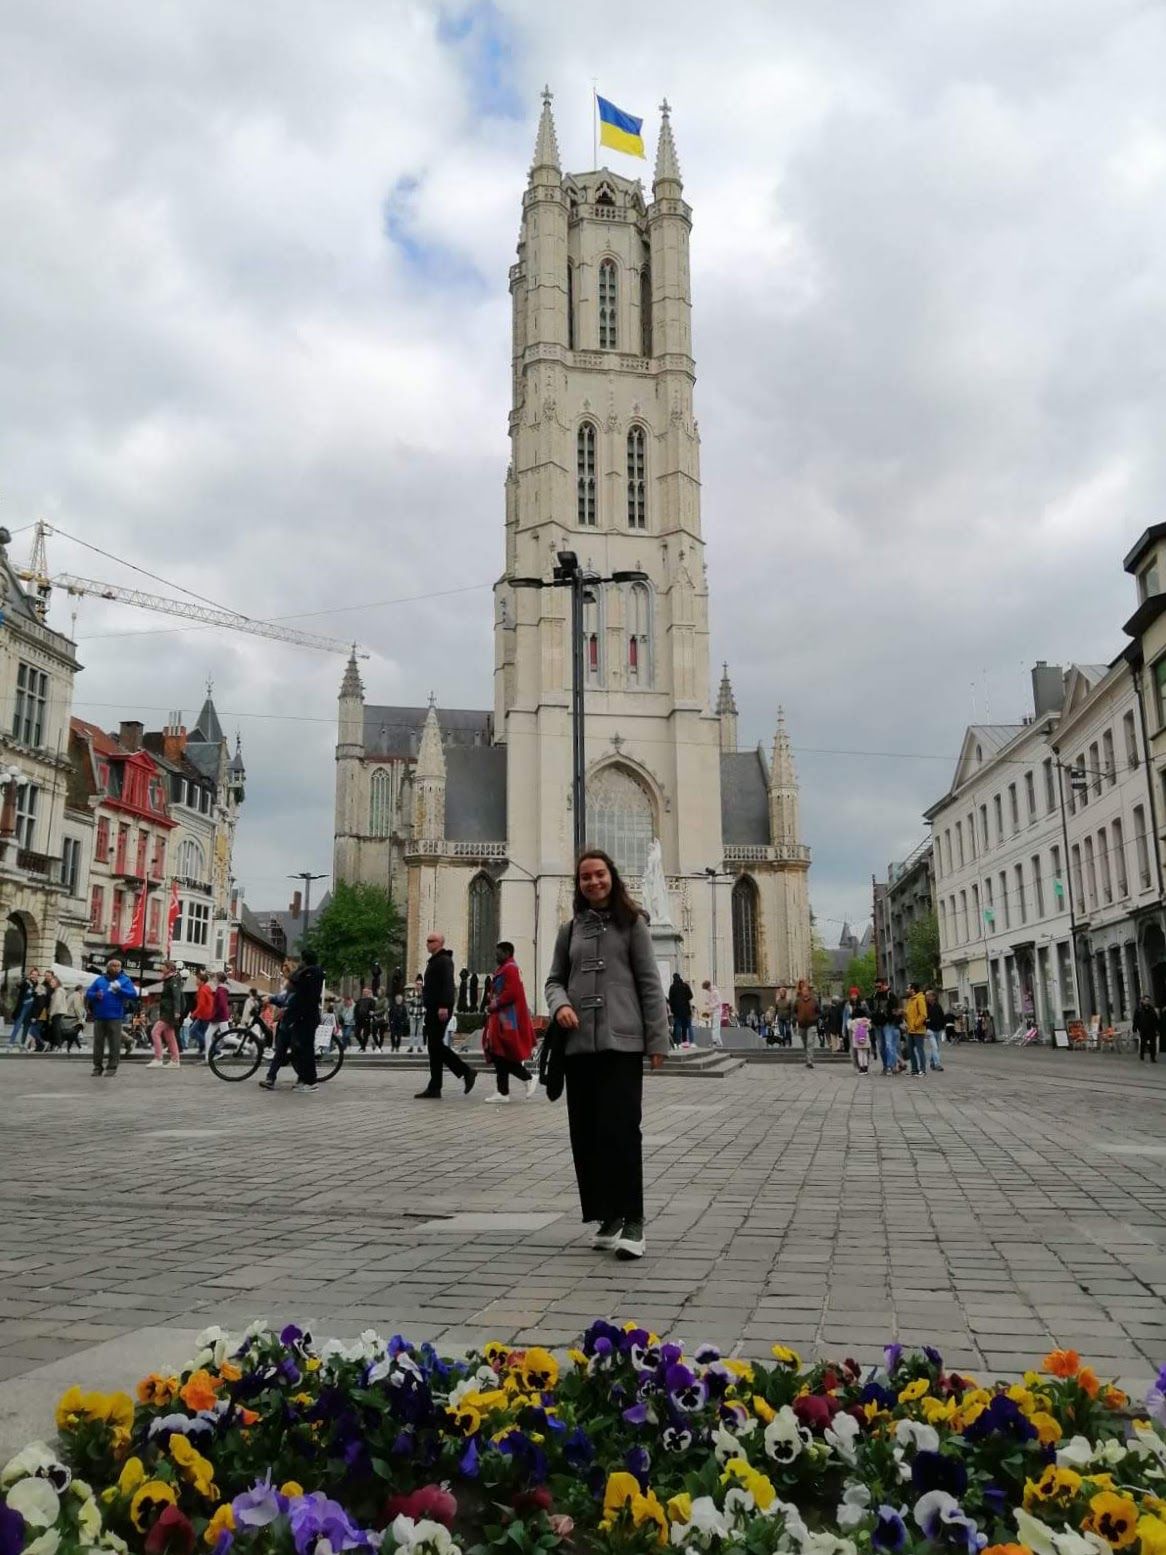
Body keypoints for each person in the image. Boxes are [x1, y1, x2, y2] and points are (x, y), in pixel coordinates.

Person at [545, 849, 668, 1260]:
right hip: (579, 1045)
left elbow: (650, 985)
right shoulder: (570, 930)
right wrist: (560, 1004)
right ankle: (607, 1216)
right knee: (588, 1134)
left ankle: (633, 1218)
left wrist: (657, 1042)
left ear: (611, 877)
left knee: (621, 1131)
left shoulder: (632, 925)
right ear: (578, 884)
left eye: (599, 875)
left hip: (621, 1043)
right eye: (585, 877)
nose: (593, 882)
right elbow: (554, 980)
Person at [415, 933, 476, 1099]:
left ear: (440, 943)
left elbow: (448, 984)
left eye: (431, 941)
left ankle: (466, 1071)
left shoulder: (444, 960)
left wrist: (443, 1006)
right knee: (434, 1048)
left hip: (440, 1009)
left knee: (435, 1045)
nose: (427, 943)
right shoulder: (435, 960)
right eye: (427, 940)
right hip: (433, 1008)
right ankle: (435, 1087)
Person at [259, 951, 325, 1092]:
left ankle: (308, 1081)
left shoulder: (304, 977)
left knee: (301, 1050)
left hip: (299, 1018)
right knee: (294, 1049)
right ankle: (298, 1079)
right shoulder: (311, 975)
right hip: (299, 1017)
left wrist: (272, 999)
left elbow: (293, 998)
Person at [483, 940, 537, 1103]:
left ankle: (526, 1078)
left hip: (506, 1017)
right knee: (499, 1052)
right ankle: (503, 1091)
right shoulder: (505, 968)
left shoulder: (510, 969)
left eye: (498, 952)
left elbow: (511, 993)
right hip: (503, 1016)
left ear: (507, 953)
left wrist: (494, 1004)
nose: (495, 955)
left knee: (500, 1052)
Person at [85, 958, 137, 1078]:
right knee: (98, 1043)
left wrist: (120, 990)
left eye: (118, 966)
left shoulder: (125, 980)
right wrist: (95, 995)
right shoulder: (100, 980)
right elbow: (89, 993)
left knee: (114, 1043)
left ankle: (112, 1067)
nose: (116, 968)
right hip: (99, 1016)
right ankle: (97, 1067)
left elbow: (133, 994)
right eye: (113, 966)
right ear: (108, 968)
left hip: (115, 1016)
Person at [147, 960, 184, 1068]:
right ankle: (175, 1060)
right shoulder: (170, 980)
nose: (161, 968)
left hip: (169, 1012)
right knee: (170, 1035)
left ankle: (158, 1059)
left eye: (163, 967)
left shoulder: (173, 980)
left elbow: (176, 997)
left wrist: (177, 1011)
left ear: (168, 968)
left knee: (155, 1032)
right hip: (168, 1011)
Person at [871, 978, 901, 1076]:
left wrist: (893, 1021)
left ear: (884, 985)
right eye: (876, 986)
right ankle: (885, 1066)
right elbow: (871, 1008)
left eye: (879, 986)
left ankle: (891, 1066)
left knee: (889, 1045)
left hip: (888, 1024)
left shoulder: (890, 995)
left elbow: (896, 1010)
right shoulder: (874, 996)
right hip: (877, 1024)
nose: (877, 988)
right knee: (881, 1047)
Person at [8, 967, 40, 1047]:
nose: (34, 976)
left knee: (27, 1026)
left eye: (35, 975)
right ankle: (11, 1042)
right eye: (32, 974)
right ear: (30, 975)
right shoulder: (26, 983)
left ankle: (22, 1043)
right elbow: (19, 985)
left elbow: (37, 999)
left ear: (38, 976)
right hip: (23, 1007)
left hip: (31, 1008)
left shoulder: (38, 985)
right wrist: (24, 981)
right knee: (18, 1025)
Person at [187, 970, 214, 1058]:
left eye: (197, 979)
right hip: (206, 1014)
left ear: (202, 981)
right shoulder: (205, 988)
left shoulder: (202, 990)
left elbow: (202, 1005)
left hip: (204, 1015)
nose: (196, 981)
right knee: (203, 1032)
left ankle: (213, 1048)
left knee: (193, 1031)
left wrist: (194, 1014)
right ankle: (203, 1047)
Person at [793, 978, 819, 1068]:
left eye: (806, 990)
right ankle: (807, 1058)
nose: (805, 992)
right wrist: (797, 1018)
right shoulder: (798, 1001)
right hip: (802, 1025)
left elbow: (819, 1012)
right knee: (805, 1043)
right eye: (803, 991)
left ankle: (809, 1061)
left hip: (812, 1025)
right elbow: (794, 1011)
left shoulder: (814, 1001)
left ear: (809, 991)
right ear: (802, 992)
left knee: (810, 1043)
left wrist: (815, 1018)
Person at [904, 983, 928, 1077]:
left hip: (918, 1030)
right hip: (910, 1030)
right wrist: (903, 1013)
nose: (906, 990)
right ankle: (914, 1069)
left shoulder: (919, 999)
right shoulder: (911, 1000)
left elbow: (923, 1014)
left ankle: (923, 1070)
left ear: (912, 989)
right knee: (910, 1050)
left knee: (920, 1049)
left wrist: (915, 1025)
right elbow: (910, 1014)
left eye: (908, 988)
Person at [667, 972, 694, 1048]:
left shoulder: (672, 987)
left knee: (678, 1026)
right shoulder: (685, 986)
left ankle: (678, 1042)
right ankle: (689, 1042)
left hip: (676, 1011)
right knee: (688, 1026)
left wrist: (672, 1009)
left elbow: (670, 999)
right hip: (686, 1009)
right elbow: (691, 996)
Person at [924, 988, 946, 1072]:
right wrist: (925, 1027)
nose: (927, 998)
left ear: (933, 997)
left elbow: (942, 1017)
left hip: (938, 1029)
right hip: (930, 1030)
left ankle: (932, 1062)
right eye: (926, 996)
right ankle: (937, 1064)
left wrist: (942, 1027)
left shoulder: (938, 1006)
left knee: (936, 1047)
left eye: (929, 996)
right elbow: (923, 1018)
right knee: (935, 1047)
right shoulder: (925, 1007)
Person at [1134, 995, 1159, 1063]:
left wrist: (1157, 1029)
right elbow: (1135, 1020)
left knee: (1152, 1044)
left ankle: (1152, 1057)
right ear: (1143, 1000)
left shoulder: (1151, 1009)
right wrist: (1135, 1029)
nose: (1147, 1002)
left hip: (1152, 1029)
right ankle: (1142, 1055)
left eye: (1148, 1000)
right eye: (1146, 1000)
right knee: (1143, 1043)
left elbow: (1155, 1019)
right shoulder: (1138, 1009)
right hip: (1143, 1029)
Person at [700, 979, 724, 1048]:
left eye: (706, 989)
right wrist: (707, 1003)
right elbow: (710, 1000)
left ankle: (715, 1042)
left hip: (717, 1011)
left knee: (715, 1027)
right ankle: (719, 1043)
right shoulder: (709, 992)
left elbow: (719, 1002)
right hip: (712, 1011)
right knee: (716, 1026)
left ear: (708, 987)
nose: (706, 990)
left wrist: (711, 1006)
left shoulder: (715, 992)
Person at [407, 975, 424, 1052]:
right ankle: (411, 1046)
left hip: (421, 1014)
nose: (419, 986)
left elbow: (427, 1002)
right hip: (413, 1014)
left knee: (420, 1032)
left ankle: (419, 1047)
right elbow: (407, 1000)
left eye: (420, 984)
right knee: (412, 1032)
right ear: (415, 984)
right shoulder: (411, 993)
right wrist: (414, 998)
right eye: (418, 984)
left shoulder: (424, 994)